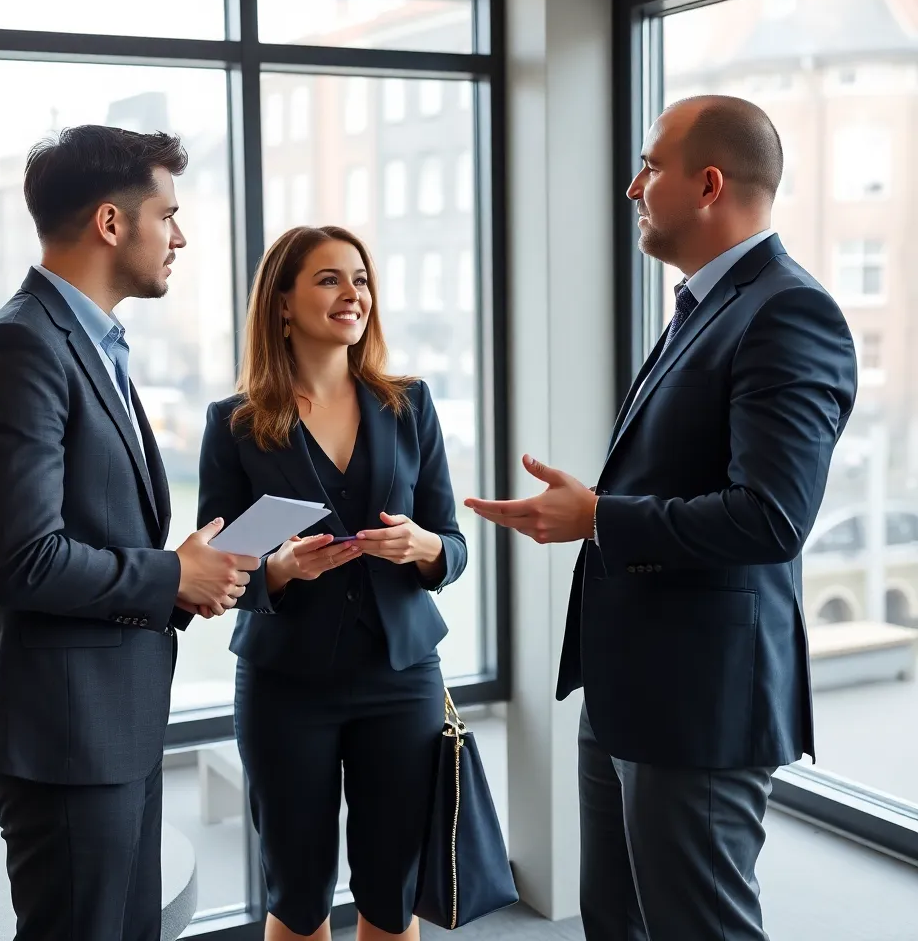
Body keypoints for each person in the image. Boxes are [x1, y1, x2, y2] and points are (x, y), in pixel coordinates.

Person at [466, 95, 857, 940]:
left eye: (649, 166)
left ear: (708, 183)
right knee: (618, 923)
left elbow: (771, 517)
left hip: (700, 705)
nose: (632, 186)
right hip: (628, 687)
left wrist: (601, 516)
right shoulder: (702, 305)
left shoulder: (788, 311)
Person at [0, 125, 259, 941]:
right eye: (168, 214)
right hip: (64, 732)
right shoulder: (22, 346)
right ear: (112, 224)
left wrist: (193, 573)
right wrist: (169, 575)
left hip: (109, 720)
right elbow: (24, 561)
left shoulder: (89, 341)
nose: (180, 235)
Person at [197, 225, 467, 941]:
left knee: (391, 890)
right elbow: (214, 569)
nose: (354, 294)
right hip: (286, 684)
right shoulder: (235, 425)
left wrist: (425, 545)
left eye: (361, 279)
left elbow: (455, 545)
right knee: (299, 894)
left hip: (400, 678)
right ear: (282, 304)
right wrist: (278, 572)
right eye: (328, 280)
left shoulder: (409, 404)